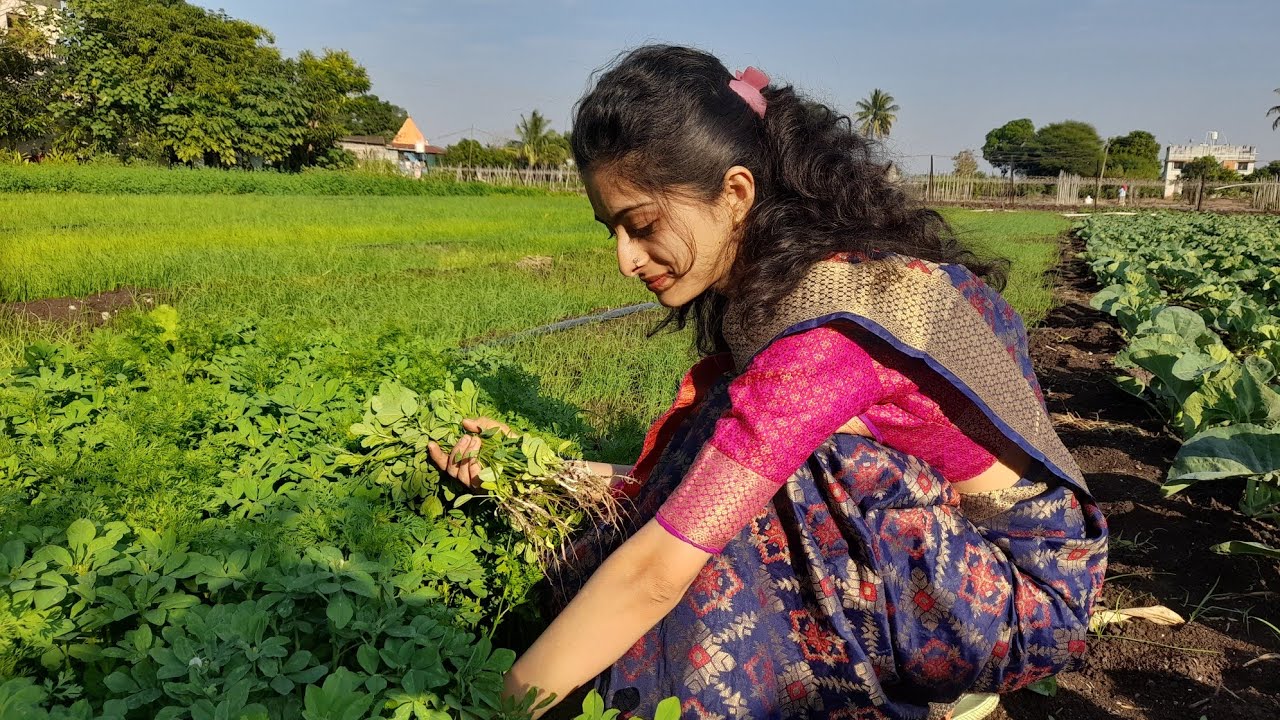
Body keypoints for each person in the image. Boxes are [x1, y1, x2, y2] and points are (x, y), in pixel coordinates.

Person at [429, 45, 1108, 720]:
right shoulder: (793, 291)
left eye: (641, 225)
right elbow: (699, 476)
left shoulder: (825, 340)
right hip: (959, 555)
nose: (625, 260)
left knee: (744, 518)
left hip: (1023, 600)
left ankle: (910, 689)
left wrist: (493, 707)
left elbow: (656, 570)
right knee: (739, 467)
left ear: (735, 193)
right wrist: (540, 467)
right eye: (613, 231)